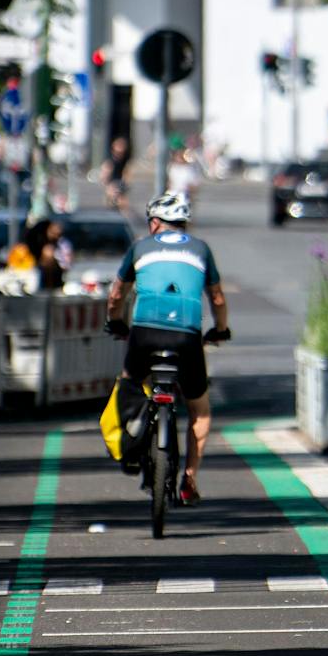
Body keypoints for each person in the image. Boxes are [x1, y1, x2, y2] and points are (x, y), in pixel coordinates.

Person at [104, 191, 229, 504]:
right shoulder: (201, 249)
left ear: (156, 223)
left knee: (131, 385)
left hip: (145, 333)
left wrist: (116, 322)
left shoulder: (140, 247)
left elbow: (117, 295)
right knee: (199, 409)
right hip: (187, 336)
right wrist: (220, 329)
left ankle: (134, 446)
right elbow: (217, 298)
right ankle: (189, 478)